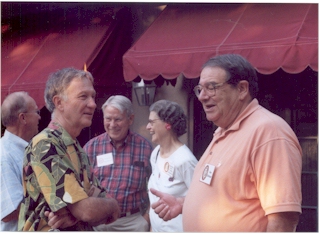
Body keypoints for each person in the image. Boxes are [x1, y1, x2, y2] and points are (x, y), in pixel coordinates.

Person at [150, 54, 302, 232]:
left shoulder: (268, 132)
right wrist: (183, 203)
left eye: (211, 87)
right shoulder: (223, 130)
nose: (202, 97)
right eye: (200, 89)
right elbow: (228, 197)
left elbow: (283, 219)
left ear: (242, 89)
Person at [18, 68, 120, 231]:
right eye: (83, 96)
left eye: (93, 96)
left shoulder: (76, 147)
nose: (93, 104)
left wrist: (82, 212)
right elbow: (87, 211)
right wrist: (108, 205)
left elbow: (100, 211)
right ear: (59, 103)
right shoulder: (45, 144)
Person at [83, 95, 152, 232]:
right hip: (99, 222)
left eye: (118, 119)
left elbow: (158, 186)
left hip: (132, 222)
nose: (112, 125)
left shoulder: (145, 147)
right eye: (108, 119)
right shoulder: (91, 147)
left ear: (130, 119)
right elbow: (80, 185)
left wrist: (146, 218)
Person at [146, 100, 197, 232]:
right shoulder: (156, 153)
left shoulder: (185, 160)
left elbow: (200, 201)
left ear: (167, 124)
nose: (147, 127)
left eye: (152, 122)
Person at [0, 92, 41, 231]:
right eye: (36, 111)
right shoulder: (4, 155)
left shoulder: (26, 149)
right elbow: (9, 211)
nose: (39, 117)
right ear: (22, 118)